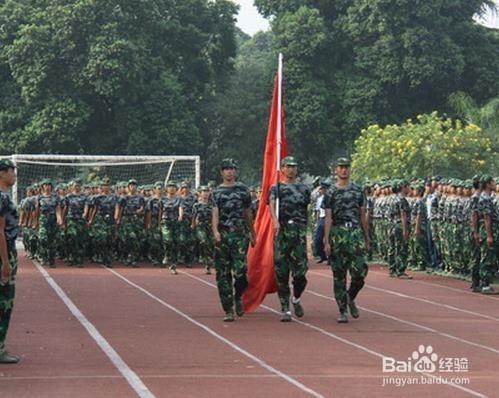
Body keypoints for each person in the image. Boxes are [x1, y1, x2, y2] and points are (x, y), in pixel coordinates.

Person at [323, 157, 369, 323]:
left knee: (360, 271)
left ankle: (350, 297)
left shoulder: (358, 190)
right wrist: (326, 240)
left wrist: (367, 237)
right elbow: (328, 217)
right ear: (336, 170)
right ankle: (342, 310)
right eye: (341, 167)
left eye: (346, 167)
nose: (344, 170)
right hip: (338, 232)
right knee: (339, 274)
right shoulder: (330, 192)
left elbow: (363, 215)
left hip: (355, 233)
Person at [211, 159, 256, 322]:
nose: (229, 172)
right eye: (226, 169)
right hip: (223, 235)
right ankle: (228, 309)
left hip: (239, 235)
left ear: (236, 171)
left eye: (232, 169)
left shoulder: (243, 190)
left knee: (241, 273)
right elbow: (215, 213)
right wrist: (215, 231)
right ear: (221, 172)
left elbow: (248, 213)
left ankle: (238, 296)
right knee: (222, 275)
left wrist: (253, 233)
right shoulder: (216, 192)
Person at [268, 156, 311, 322]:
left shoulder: (304, 189)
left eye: (294, 166)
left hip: (298, 232)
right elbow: (271, 204)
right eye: (288, 166)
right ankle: (285, 308)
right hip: (282, 232)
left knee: (300, 273)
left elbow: (306, 208)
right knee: (282, 273)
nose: (291, 169)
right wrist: (275, 221)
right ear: (283, 169)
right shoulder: (276, 188)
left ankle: (296, 298)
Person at [0, 159, 20, 363]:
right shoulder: (2, 199)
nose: (14, 175)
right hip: (4, 253)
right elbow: (0, 231)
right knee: (5, 302)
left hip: (6, 251)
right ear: (1, 173)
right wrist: (6, 262)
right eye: (11, 171)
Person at [159, 181, 181, 274]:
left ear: (176, 189)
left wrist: (180, 216)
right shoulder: (162, 200)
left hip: (175, 222)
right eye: (169, 186)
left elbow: (181, 208)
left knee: (175, 242)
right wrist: (158, 224)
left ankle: (173, 264)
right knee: (168, 240)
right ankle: (167, 255)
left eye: (173, 186)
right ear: (166, 189)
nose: (171, 188)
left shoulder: (179, 199)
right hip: (166, 222)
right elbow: (160, 212)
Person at [192, 186, 214, 274]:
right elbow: (194, 216)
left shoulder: (213, 204)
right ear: (200, 193)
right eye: (204, 191)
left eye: (207, 191)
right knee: (204, 241)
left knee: (211, 244)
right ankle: (202, 256)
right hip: (201, 226)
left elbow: (215, 216)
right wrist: (193, 224)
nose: (205, 193)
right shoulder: (197, 205)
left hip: (210, 226)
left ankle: (208, 265)